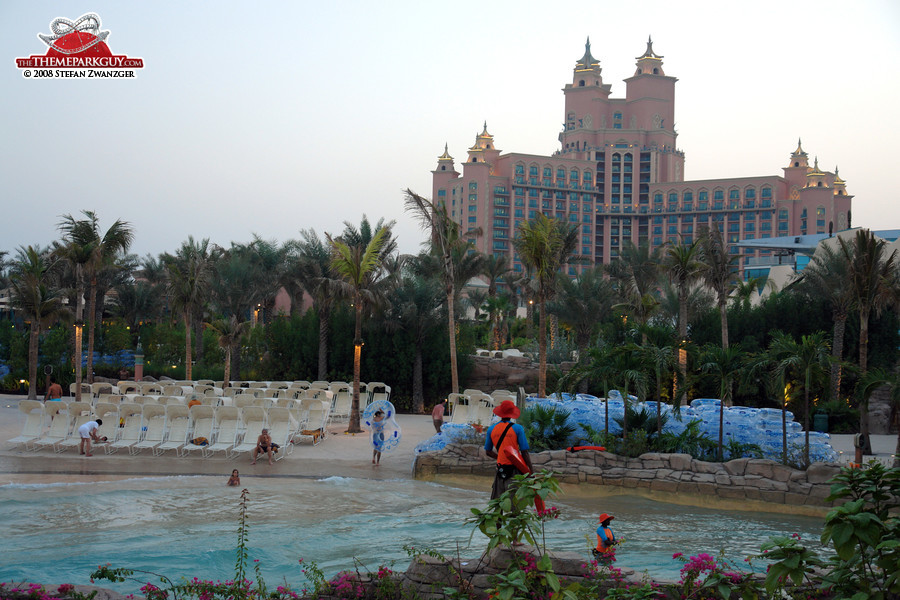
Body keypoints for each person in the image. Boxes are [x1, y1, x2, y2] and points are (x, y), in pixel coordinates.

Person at [484, 399, 532, 500]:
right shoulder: (518, 428)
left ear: (500, 413)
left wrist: (500, 456)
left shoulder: (491, 429)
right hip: (514, 469)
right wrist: (530, 471)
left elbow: (488, 452)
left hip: (500, 469)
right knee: (515, 503)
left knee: (498, 503)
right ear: (512, 414)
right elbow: (524, 452)